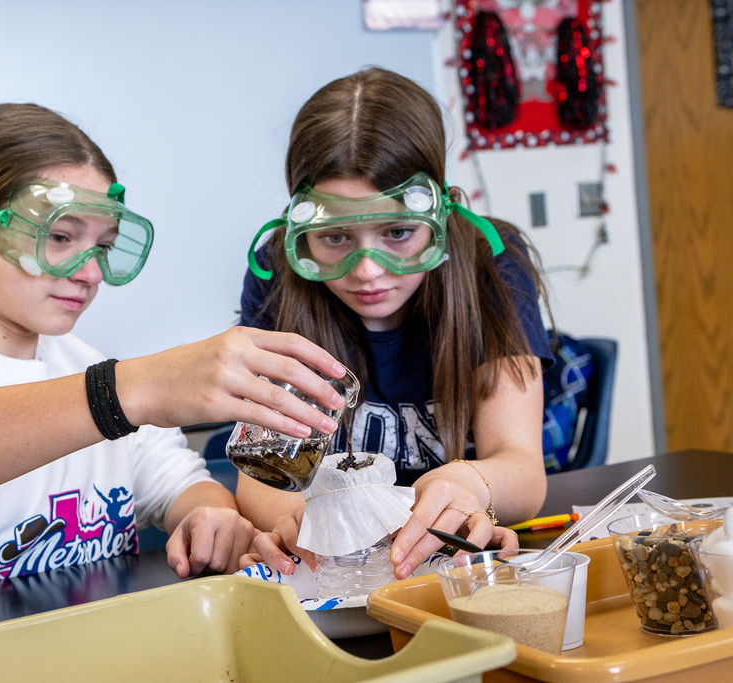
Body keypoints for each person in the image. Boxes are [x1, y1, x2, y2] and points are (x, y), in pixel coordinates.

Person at [0, 103, 348, 609]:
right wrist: (132, 389)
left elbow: (176, 480)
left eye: (103, 247)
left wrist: (210, 514)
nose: (90, 273)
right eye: (62, 238)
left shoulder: (81, 360)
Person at [235, 67, 554, 580]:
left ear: (439, 211)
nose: (367, 271)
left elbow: (520, 466)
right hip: (336, 570)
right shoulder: (276, 274)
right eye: (335, 238)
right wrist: (302, 524)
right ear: (301, 228)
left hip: (450, 563)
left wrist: (469, 483)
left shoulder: (491, 264)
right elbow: (262, 476)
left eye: (399, 232)